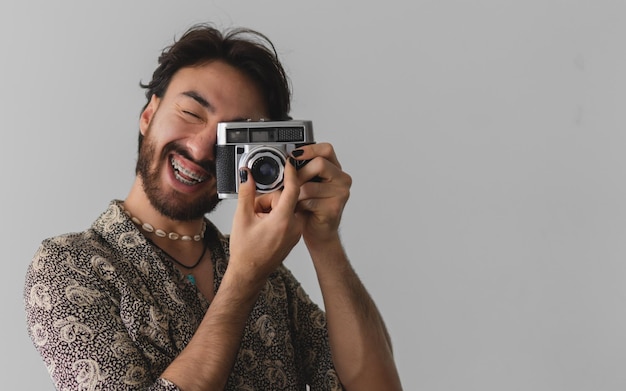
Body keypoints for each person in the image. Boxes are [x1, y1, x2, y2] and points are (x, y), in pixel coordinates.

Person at [24, 22, 403, 390]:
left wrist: (325, 243)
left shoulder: (270, 277)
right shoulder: (69, 264)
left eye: (232, 138)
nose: (202, 148)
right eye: (191, 113)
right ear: (148, 115)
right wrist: (242, 281)